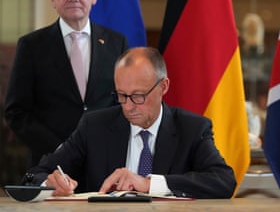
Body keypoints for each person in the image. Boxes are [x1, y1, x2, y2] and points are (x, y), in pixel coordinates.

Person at [24, 47, 236, 199]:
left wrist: (148, 184)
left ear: (163, 87)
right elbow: (34, 175)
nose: (128, 106)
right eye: (121, 95)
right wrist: (49, 183)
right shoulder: (94, 126)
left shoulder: (191, 128)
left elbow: (223, 181)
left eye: (138, 96)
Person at [5, 0, 128, 166]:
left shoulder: (117, 43)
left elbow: (125, 102)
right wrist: (60, 148)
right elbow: (16, 112)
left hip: (105, 161)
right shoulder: (31, 46)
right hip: (51, 163)